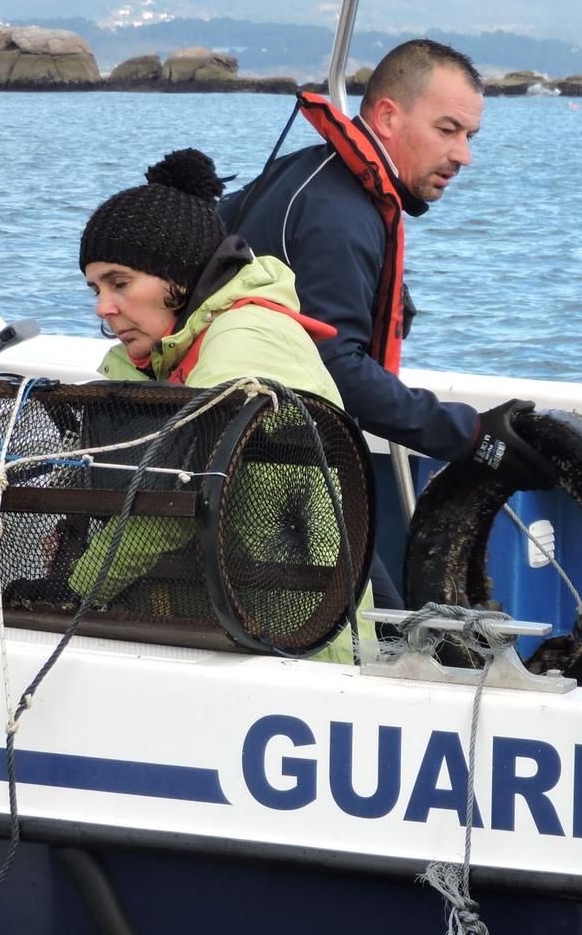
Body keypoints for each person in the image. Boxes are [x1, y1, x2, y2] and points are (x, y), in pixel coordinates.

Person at [222, 39, 552, 603]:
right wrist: (470, 434)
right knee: (378, 632)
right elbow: (335, 366)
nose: (463, 155)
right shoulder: (342, 215)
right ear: (386, 116)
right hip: (270, 473)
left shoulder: (306, 173)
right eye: (447, 130)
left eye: (470, 136)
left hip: (246, 448)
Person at [76, 146, 371, 662]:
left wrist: (78, 589)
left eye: (120, 283)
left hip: (297, 644)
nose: (104, 306)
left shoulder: (245, 340)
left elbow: (179, 502)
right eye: (96, 288)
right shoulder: (168, 352)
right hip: (226, 623)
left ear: (182, 279)